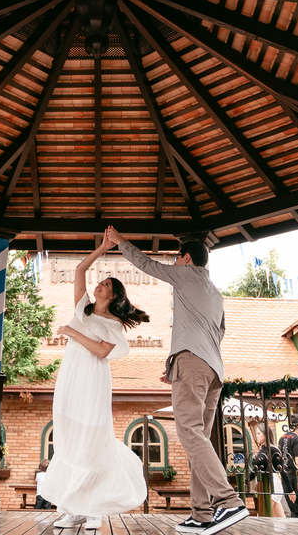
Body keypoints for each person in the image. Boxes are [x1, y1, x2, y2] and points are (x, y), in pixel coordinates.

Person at [104, 226, 247, 535]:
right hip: (212, 370)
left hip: (193, 364)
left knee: (190, 434)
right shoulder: (216, 294)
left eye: (176, 258)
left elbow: (146, 264)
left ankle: (228, 500)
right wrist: (177, 363)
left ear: (185, 258)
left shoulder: (186, 275)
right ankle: (201, 513)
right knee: (200, 440)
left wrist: (120, 242)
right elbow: (217, 334)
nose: (174, 262)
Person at [43, 241, 149, 530]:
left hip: (93, 379)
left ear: (113, 294)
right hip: (70, 376)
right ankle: (74, 507)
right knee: (69, 439)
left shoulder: (114, 324)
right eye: (99, 282)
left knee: (91, 441)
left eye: (104, 284)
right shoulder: (82, 309)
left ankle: (95, 509)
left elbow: (102, 351)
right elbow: (80, 269)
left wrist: (73, 333)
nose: (98, 285)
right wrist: (102, 247)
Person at [246, 425, 285, 518]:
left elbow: (282, 470)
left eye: (259, 433)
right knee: (279, 519)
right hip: (263, 484)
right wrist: (245, 480)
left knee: (263, 516)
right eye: (256, 434)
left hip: (272, 485)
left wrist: (290, 490)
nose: (257, 436)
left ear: (266, 434)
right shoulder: (261, 450)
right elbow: (255, 470)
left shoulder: (273, 449)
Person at [277, 420, 298, 519]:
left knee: (293, 508)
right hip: (296, 479)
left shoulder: (281, 438)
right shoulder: (297, 440)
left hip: (285, 477)